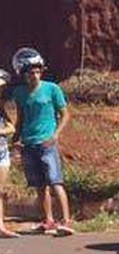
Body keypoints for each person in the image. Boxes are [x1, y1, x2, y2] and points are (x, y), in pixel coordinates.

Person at [9, 48, 75, 236]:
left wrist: (55, 136)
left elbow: (65, 114)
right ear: (23, 74)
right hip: (28, 144)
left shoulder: (52, 88)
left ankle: (66, 221)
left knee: (56, 181)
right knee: (39, 185)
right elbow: (21, 118)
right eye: (31, 72)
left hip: (47, 143)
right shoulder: (19, 93)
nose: (35, 75)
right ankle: (48, 221)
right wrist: (16, 140)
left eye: (38, 71)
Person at [0, 69, 20, 238]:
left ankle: (0, 226)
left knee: (0, 190)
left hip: (2, 152)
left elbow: (11, 127)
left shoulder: (1, 105)